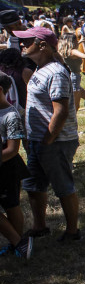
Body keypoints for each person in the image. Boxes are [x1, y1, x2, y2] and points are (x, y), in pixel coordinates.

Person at [16, 27, 82, 242]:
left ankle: (72, 232)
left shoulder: (55, 72)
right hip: (38, 140)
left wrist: (48, 139)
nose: (22, 44)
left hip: (55, 141)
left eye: (27, 41)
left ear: (42, 45)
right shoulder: (40, 68)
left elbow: (60, 111)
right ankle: (40, 226)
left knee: (63, 186)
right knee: (33, 185)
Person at [0, 71, 32, 258]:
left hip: (7, 169)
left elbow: (12, 149)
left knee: (11, 206)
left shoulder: (10, 115)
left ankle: (18, 243)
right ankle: (19, 243)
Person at [57, 33, 85, 127]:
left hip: (71, 78)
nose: (77, 42)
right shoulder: (73, 51)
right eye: (76, 40)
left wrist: (81, 41)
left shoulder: (63, 50)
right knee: (75, 106)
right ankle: (70, 127)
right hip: (74, 79)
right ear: (72, 42)